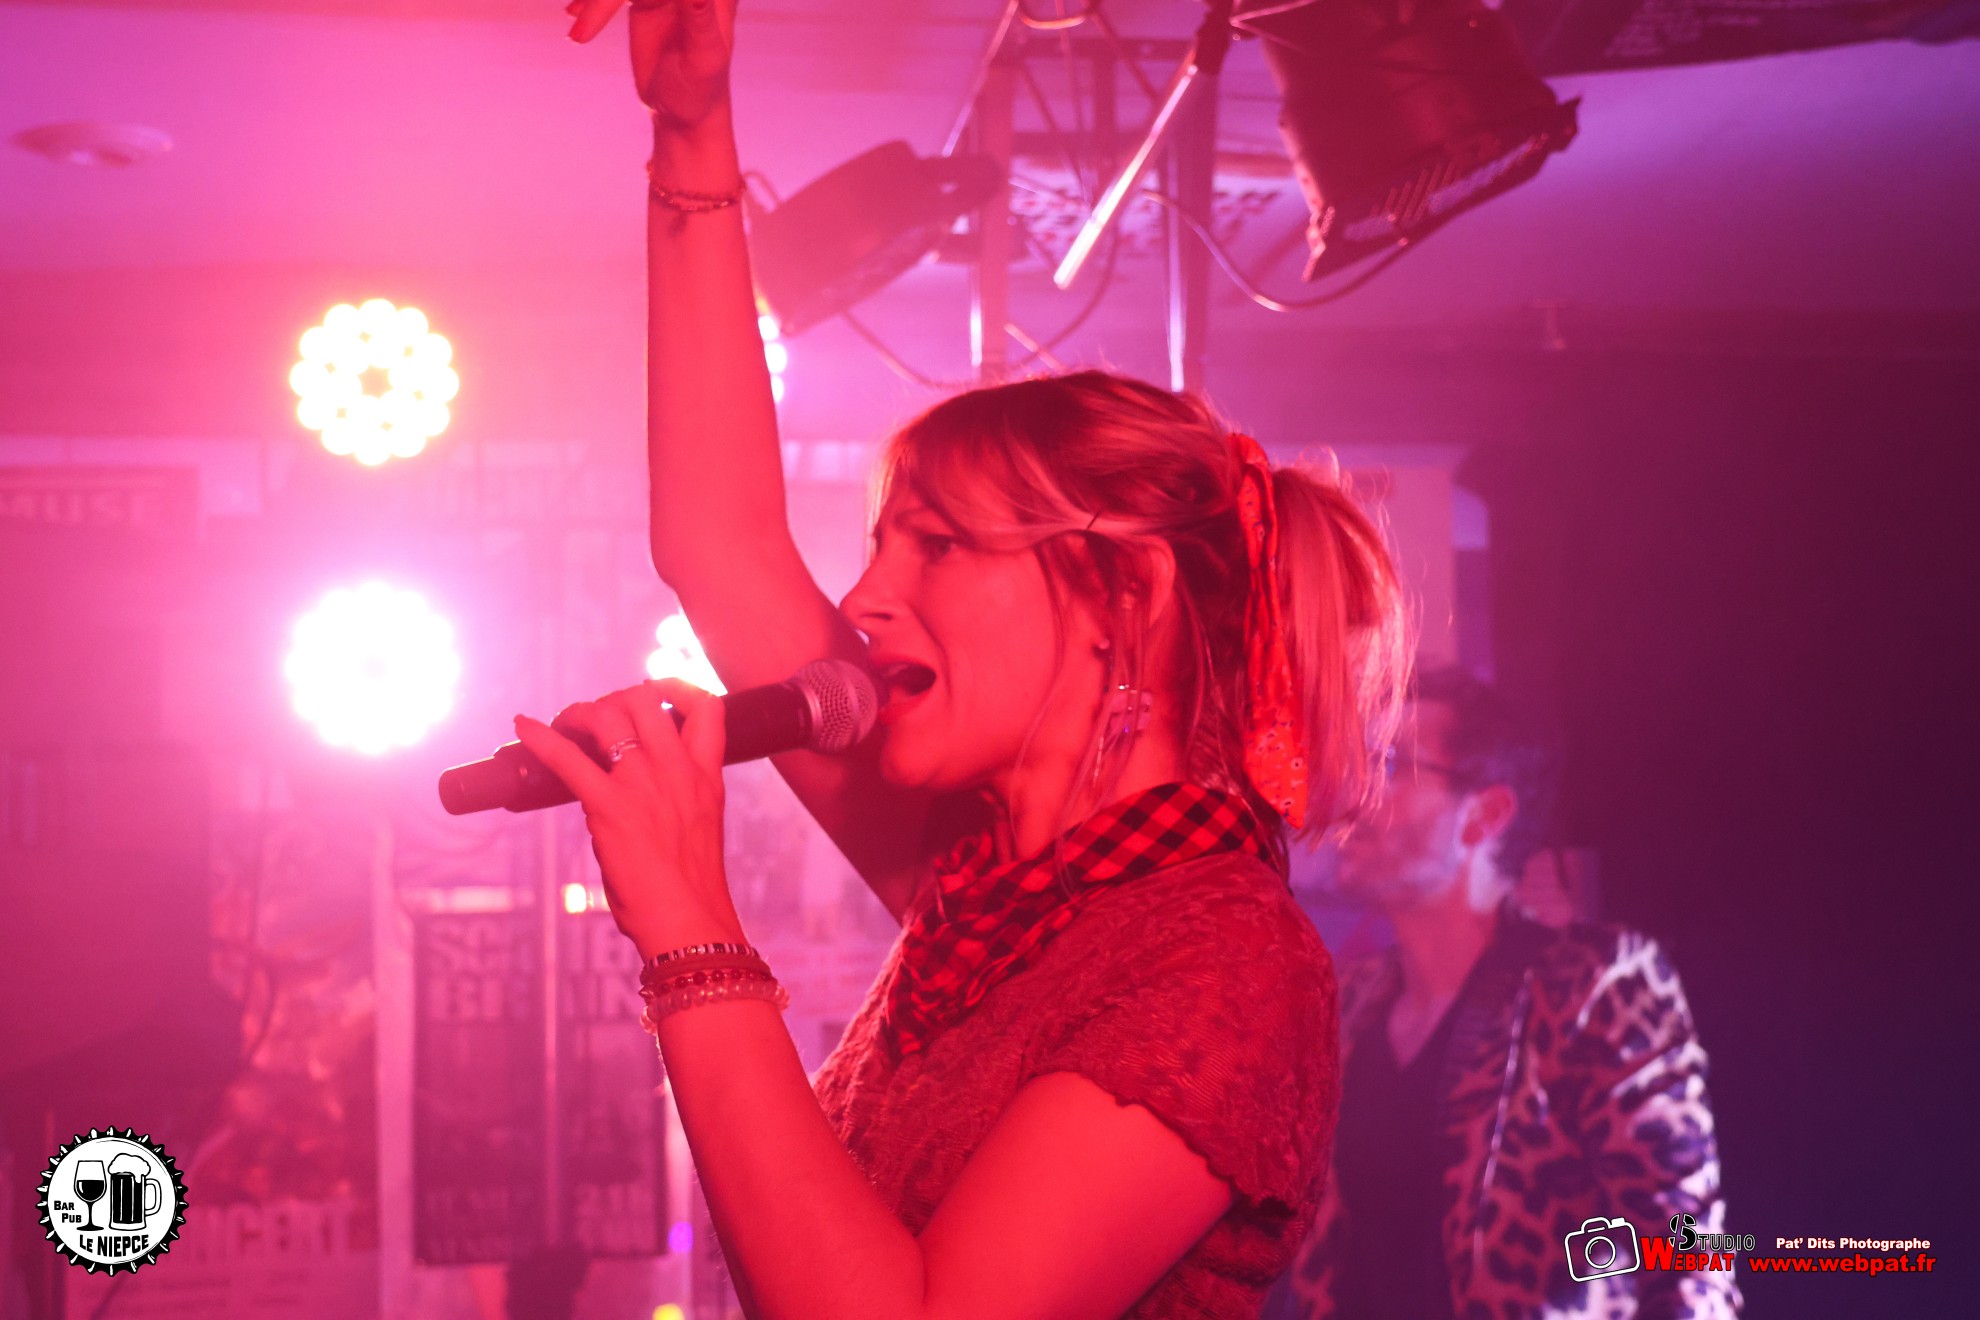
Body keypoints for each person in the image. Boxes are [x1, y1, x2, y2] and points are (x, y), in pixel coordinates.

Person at [507, 2, 1413, 1315]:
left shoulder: (1228, 962)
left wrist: (690, 920)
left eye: (935, 546)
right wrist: (692, 131)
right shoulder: (986, 893)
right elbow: (719, 542)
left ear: (1123, 596)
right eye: (881, 547)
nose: (864, 598)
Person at [1263, 669, 1740, 1319]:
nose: (1355, 792)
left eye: (1392, 766)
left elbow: (1690, 1255)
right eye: (1360, 765)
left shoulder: (1596, 986)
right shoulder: (1347, 1003)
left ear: (1485, 815)